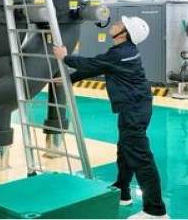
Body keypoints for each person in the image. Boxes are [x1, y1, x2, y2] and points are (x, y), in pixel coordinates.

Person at [52, 16, 168, 219]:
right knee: (125, 151)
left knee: (141, 159)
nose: (115, 24)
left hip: (134, 111)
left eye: (120, 25)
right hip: (135, 107)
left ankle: (155, 211)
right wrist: (69, 78)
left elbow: (92, 63)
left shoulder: (121, 53)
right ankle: (123, 191)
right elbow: (100, 66)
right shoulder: (121, 52)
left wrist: (65, 57)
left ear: (125, 34)